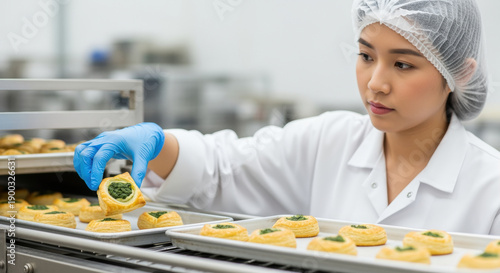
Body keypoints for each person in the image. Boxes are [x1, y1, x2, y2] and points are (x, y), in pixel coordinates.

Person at [74, 0, 500, 235]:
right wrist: (158, 142)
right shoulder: (329, 140)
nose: (375, 83)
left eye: (403, 65)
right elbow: (225, 170)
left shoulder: (490, 189)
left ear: (458, 74)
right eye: (366, 56)